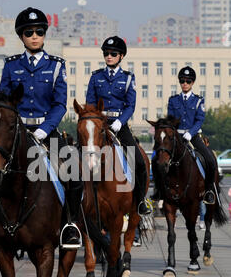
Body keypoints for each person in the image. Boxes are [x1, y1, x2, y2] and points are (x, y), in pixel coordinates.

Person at [0, 7, 82, 249]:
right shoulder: (12, 65)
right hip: (16, 132)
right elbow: (4, 100)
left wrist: (45, 130)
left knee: (73, 170)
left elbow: (59, 104)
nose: (34, 36)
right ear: (21, 37)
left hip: (47, 131)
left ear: (44, 35)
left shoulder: (56, 65)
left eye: (39, 31)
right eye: (29, 32)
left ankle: (70, 225)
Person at [86, 36, 151, 216]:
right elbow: (90, 103)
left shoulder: (129, 78)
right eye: (106, 53)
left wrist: (119, 121)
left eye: (113, 54)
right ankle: (79, 201)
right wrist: (97, 119)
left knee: (138, 161)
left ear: (121, 56)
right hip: (99, 124)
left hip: (118, 125)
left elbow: (130, 105)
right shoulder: (96, 77)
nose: (109, 56)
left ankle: (140, 201)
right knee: (76, 157)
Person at [152, 66, 216, 205]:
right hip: (176, 136)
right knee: (156, 158)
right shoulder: (173, 100)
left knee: (210, 160)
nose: (185, 84)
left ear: (192, 83)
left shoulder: (198, 100)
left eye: (188, 81)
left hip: (193, 136)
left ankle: (209, 190)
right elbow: (170, 120)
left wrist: (190, 133)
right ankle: (158, 190)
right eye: (182, 81)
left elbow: (200, 120)